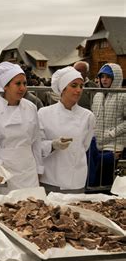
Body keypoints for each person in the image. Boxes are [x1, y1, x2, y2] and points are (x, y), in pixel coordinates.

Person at [0, 62, 43, 194]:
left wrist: (39, 168)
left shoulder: (31, 108)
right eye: (18, 84)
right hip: (3, 169)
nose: (22, 88)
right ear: (5, 86)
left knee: (33, 208)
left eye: (24, 83)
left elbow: (36, 141)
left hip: (28, 169)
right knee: (5, 209)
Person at [38, 66, 95, 194]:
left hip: (76, 179)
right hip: (51, 177)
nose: (79, 90)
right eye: (74, 85)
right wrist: (53, 144)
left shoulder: (88, 116)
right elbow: (37, 145)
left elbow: (84, 146)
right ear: (63, 89)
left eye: (81, 86)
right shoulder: (44, 113)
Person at [90, 63, 125, 186]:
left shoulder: (123, 96)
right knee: (96, 177)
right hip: (98, 141)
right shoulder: (98, 95)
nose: (104, 80)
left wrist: (112, 133)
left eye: (108, 77)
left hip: (114, 143)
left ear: (116, 78)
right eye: (102, 76)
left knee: (106, 179)